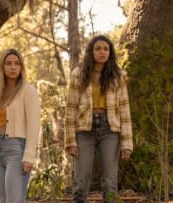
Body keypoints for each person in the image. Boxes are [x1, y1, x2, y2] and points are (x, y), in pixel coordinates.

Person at [64, 35, 133, 203]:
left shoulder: (118, 76)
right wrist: (70, 141)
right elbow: (71, 108)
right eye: (98, 48)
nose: (102, 52)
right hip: (84, 131)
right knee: (81, 181)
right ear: (91, 51)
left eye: (106, 49)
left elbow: (124, 110)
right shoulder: (78, 74)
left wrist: (127, 143)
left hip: (110, 130)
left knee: (110, 181)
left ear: (110, 52)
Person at [0, 48, 41, 203]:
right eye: (8, 63)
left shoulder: (28, 91)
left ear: (21, 67)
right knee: (4, 200)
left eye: (17, 63)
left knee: (14, 200)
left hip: (17, 150)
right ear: (2, 67)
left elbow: (34, 125)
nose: (13, 67)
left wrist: (29, 156)